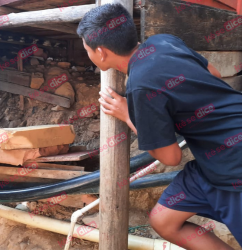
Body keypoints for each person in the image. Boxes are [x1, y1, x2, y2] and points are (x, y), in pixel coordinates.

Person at [77, 3, 242, 250]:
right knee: (164, 220)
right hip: (213, 159)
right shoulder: (163, 41)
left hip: (232, 167)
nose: (87, 54)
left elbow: (171, 156)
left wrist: (127, 115)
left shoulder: (142, 86)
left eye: (87, 49)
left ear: (101, 52)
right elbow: (214, 74)